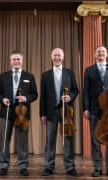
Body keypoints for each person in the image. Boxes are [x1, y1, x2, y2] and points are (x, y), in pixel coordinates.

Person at [83, 46, 108, 177]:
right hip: (95, 109)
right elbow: (86, 91)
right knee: (95, 140)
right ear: (95, 55)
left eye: (103, 52)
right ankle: (97, 168)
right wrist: (86, 108)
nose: (100, 53)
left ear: (106, 54)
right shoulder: (89, 70)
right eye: (98, 52)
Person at [0, 51, 38, 176]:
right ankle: (3, 165)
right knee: (5, 139)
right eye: (14, 59)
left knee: (22, 140)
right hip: (6, 112)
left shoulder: (29, 76)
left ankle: (23, 165)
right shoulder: (3, 76)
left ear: (22, 61)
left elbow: (34, 94)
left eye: (18, 59)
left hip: (22, 113)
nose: (16, 61)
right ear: (11, 61)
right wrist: (3, 99)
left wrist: (26, 99)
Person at [40, 48, 79, 176]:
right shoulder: (45, 75)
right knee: (50, 140)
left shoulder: (69, 73)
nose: (57, 57)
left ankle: (70, 166)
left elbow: (75, 90)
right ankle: (48, 166)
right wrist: (42, 114)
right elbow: (43, 97)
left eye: (59, 55)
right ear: (52, 57)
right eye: (55, 55)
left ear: (63, 57)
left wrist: (70, 97)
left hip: (66, 112)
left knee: (67, 139)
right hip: (51, 112)